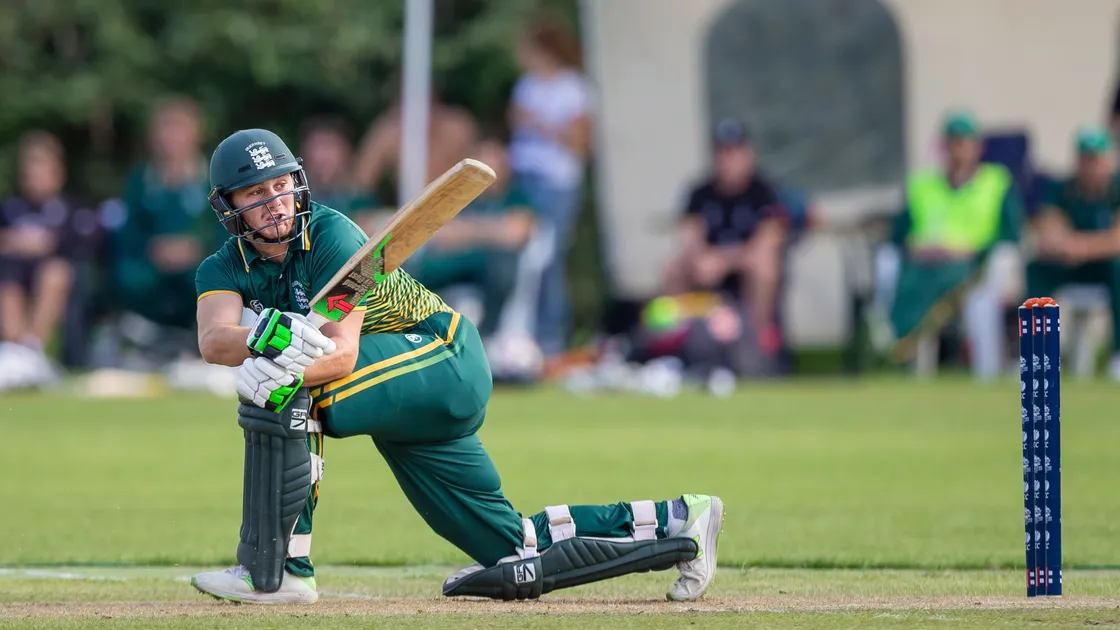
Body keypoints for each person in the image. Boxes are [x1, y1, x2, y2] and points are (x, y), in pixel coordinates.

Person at [189, 128, 723, 604]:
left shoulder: (333, 236)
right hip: (400, 397)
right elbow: (214, 340)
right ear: (229, 207)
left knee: (288, 390)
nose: (275, 202)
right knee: (515, 545)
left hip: (440, 353)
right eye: (256, 194)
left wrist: (280, 369)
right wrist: (262, 336)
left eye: (280, 185)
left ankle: (281, 570)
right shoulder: (223, 267)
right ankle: (682, 520)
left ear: (299, 183)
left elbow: (342, 354)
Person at [879, 109, 1023, 379]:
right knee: (902, 279)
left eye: (964, 143)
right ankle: (904, 353)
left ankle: (986, 371)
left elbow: (1011, 234)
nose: (958, 151)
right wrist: (916, 246)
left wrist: (970, 249)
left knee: (976, 295)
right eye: (952, 143)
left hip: (974, 266)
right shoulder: (922, 185)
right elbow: (898, 235)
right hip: (924, 266)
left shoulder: (996, 182)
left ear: (978, 147)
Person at [663, 118, 788, 361]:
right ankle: (678, 342)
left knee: (765, 266)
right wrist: (700, 260)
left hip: (743, 268)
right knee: (673, 271)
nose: (727, 160)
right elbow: (690, 235)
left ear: (747, 153)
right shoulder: (700, 192)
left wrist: (724, 261)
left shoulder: (763, 192)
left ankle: (757, 341)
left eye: (733, 152)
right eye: (722, 152)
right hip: (707, 269)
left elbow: (769, 239)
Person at [508, 16, 593, 358]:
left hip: (557, 183)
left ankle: (552, 339)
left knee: (550, 261)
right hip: (525, 179)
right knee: (524, 260)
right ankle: (522, 337)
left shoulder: (574, 88)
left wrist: (541, 124)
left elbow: (579, 141)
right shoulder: (526, 85)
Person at [408, 137, 536, 338]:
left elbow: (517, 233)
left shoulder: (515, 196)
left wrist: (468, 231)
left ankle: (489, 334)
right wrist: (492, 231)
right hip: (454, 264)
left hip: (491, 268)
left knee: (500, 265)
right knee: (410, 270)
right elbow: (440, 235)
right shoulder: (460, 196)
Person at [0, 130, 98, 388]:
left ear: (57, 172)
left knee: (56, 273)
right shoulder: (10, 208)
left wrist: (47, 243)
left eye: (42, 167)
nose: (35, 176)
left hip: (55, 280)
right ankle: (14, 353)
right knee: (7, 283)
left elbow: (85, 241)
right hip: (13, 276)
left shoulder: (71, 209)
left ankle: (32, 351)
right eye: (30, 169)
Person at [1028, 126, 1120, 380]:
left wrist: (1080, 246)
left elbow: (1117, 239)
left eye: (1096, 159)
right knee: (1036, 267)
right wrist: (1074, 244)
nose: (1090, 167)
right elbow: (1048, 230)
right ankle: (1038, 353)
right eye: (1085, 159)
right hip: (1071, 266)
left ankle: (1117, 355)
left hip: (1104, 267)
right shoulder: (1060, 188)